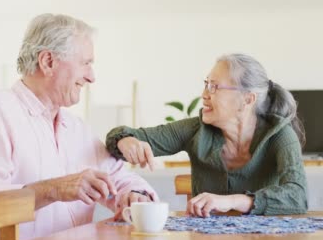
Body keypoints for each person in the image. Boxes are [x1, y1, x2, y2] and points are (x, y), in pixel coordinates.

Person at [0, 14, 157, 240]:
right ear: (48, 61)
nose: (91, 77)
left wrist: (136, 194)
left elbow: (118, 177)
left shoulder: (76, 127)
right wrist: (53, 189)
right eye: (86, 63)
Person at [106, 53, 307, 217]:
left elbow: (298, 196)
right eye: (206, 84)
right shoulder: (195, 129)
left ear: (247, 99)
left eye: (214, 87)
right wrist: (126, 140)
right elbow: (118, 137)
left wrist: (231, 201)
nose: (204, 94)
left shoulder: (280, 135)